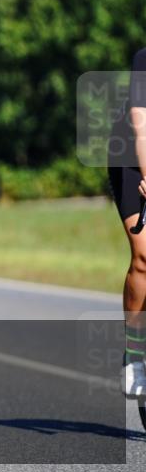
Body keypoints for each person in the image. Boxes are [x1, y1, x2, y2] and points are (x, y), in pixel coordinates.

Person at [108, 47, 146, 399]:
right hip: (132, 156)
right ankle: (135, 353)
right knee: (144, 255)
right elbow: (140, 120)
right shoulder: (144, 58)